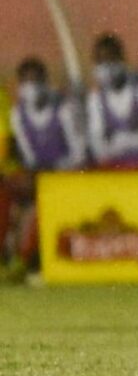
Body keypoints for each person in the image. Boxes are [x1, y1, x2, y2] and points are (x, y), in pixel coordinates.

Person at [6, 57, 87, 277]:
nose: (31, 87)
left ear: (45, 81)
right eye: (26, 82)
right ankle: (6, 256)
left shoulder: (63, 110)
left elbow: (79, 154)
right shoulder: (18, 115)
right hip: (39, 176)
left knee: (38, 205)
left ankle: (24, 260)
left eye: (36, 80)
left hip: (66, 175)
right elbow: (29, 157)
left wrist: (50, 172)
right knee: (8, 194)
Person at [86, 33, 138, 169]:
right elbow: (98, 148)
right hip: (116, 170)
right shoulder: (96, 99)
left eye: (110, 60)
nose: (106, 67)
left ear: (122, 60)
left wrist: (125, 142)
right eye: (100, 62)